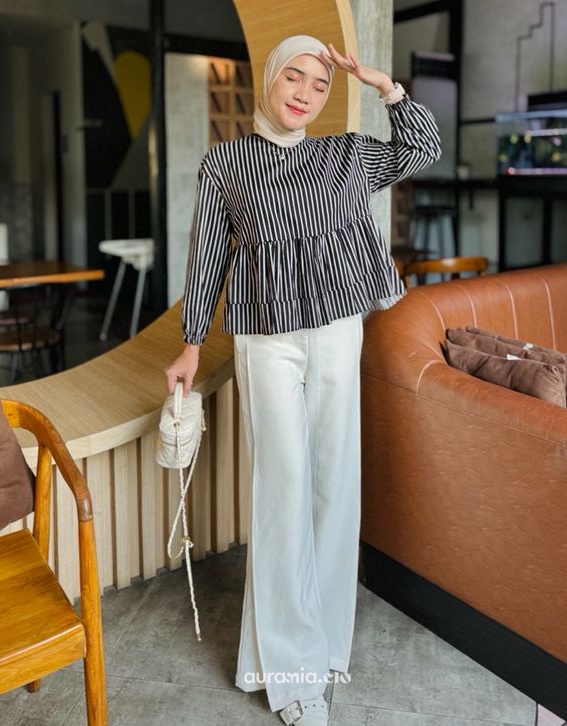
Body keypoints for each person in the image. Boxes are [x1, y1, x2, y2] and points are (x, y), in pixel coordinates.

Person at [165, 34, 440, 726]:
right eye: (295, 77)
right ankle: (290, 678)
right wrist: (191, 345)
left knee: (335, 485)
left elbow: (422, 150)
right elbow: (206, 258)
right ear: (270, 78)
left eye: (320, 84)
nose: (306, 94)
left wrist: (385, 87)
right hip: (266, 337)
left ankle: (324, 649)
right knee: (283, 490)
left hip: (339, 328)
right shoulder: (226, 164)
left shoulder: (345, 153)